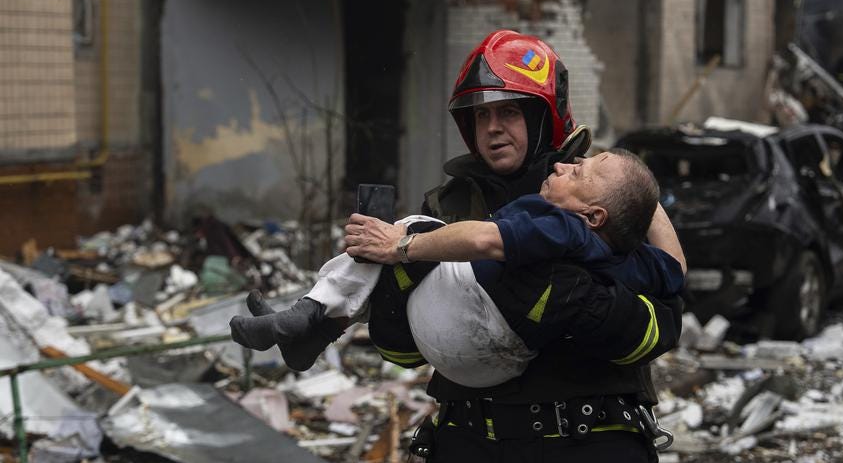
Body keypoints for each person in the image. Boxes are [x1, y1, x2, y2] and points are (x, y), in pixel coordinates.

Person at [231, 30, 684, 463]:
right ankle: (314, 320)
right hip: (471, 456)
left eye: (509, 111)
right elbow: (406, 351)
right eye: (480, 115)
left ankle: (313, 321)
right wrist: (397, 290)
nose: (492, 127)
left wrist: (575, 303)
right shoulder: (446, 206)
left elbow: (663, 323)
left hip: (591, 457)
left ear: (542, 114)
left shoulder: (607, 195)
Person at [232, 148, 685, 388]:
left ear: (593, 216)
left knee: (412, 226)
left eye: (579, 172)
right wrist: (644, 198)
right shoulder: (624, 256)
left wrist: (403, 245)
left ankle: (312, 313)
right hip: (498, 365)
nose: (565, 164)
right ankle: (316, 329)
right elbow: (675, 268)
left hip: (467, 328)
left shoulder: (560, 226)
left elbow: (485, 239)